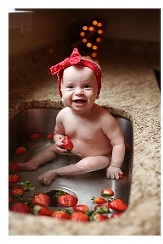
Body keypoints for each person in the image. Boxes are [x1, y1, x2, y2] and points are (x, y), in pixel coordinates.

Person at [18, 48, 126, 185]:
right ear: (61, 92)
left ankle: (56, 172)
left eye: (86, 86)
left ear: (97, 92)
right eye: (70, 87)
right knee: (51, 147)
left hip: (99, 155)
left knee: (94, 162)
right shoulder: (63, 115)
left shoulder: (104, 119)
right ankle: (32, 163)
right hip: (71, 151)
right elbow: (58, 134)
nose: (79, 92)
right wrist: (59, 142)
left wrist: (115, 165)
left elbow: (118, 143)